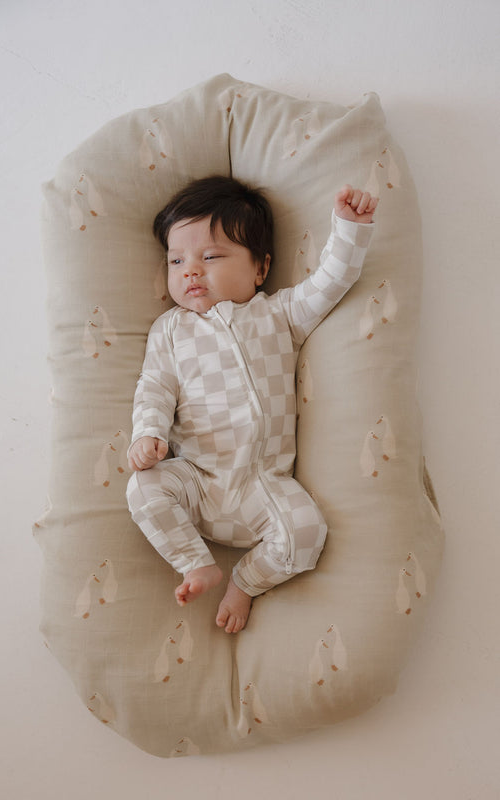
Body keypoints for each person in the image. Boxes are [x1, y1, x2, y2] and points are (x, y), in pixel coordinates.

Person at [126, 176, 377, 633]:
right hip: (198, 480)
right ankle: (196, 563)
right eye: (176, 260)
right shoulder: (170, 330)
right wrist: (149, 434)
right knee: (142, 486)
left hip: (264, 485)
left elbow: (330, 281)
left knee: (308, 535)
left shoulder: (278, 314)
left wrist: (350, 228)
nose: (190, 271)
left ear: (260, 269)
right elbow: (154, 386)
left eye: (212, 256)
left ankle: (245, 581)